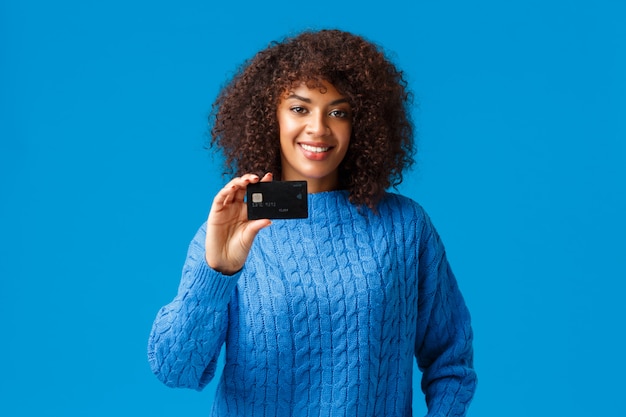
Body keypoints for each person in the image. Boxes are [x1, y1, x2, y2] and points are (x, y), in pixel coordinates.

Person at [148, 29, 477, 416]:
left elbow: (452, 362)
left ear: (363, 124)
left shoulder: (404, 227)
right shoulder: (235, 228)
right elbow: (175, 370)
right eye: (300, 108)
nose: (318, 128)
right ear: (270, 116)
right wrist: (217, 273)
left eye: (338, 112)